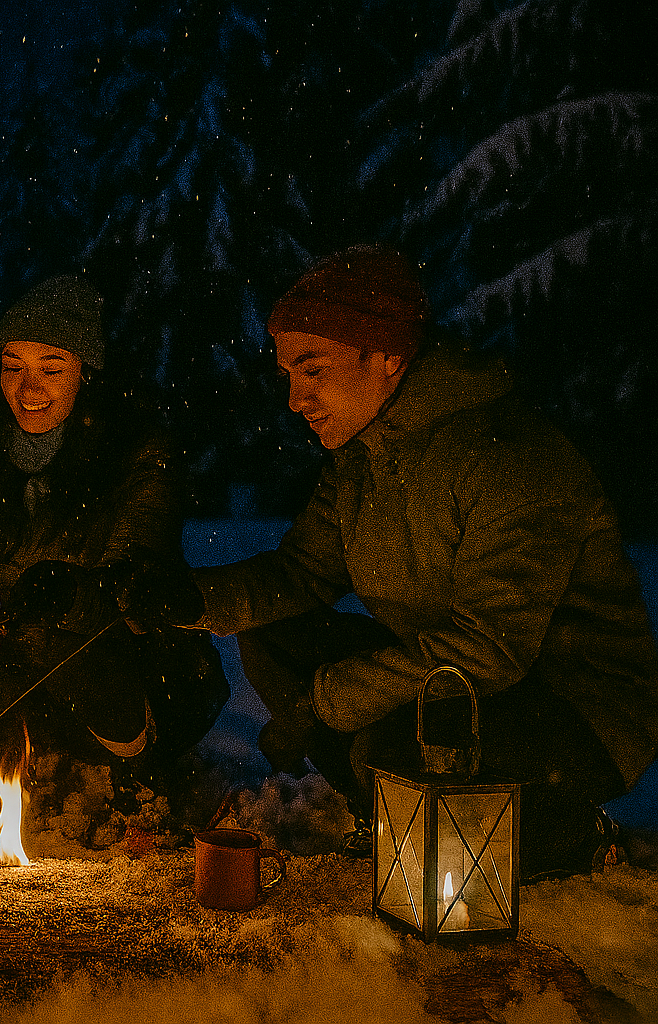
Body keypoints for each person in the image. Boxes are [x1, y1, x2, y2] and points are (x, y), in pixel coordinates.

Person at [183, 243, 658, 877]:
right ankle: (402, 815)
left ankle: (554, 827)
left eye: (313, 368)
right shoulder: (364, 457)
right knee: (276, 637)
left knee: (387, 744)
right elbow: (299, 575)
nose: (295, 398)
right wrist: (178, 600)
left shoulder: (506, 457)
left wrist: (325, 703)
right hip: (448, 682)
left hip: (571, 704)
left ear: (385, 357)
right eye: (287, 373)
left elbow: (490, 648)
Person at [0, 275, 229, 820]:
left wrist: (72, 593)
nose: (27, 390)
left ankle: (136, 773)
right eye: (12, 367)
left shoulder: (138, 446)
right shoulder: (3, 443)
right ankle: (41, 768)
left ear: (85, 374)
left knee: (63, 649)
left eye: (51, 369)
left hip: (149, 679)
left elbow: (136, 575)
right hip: (35, 673)